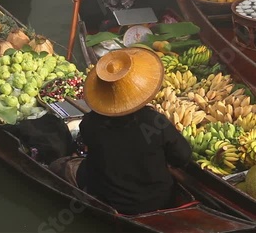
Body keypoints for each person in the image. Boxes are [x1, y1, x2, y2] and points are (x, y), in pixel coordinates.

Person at [49, 48, 192, 215]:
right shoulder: (154, 121)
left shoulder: (90, 123)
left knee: (57, 166)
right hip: (159, 199)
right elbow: (183, 156)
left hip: (110, 199)